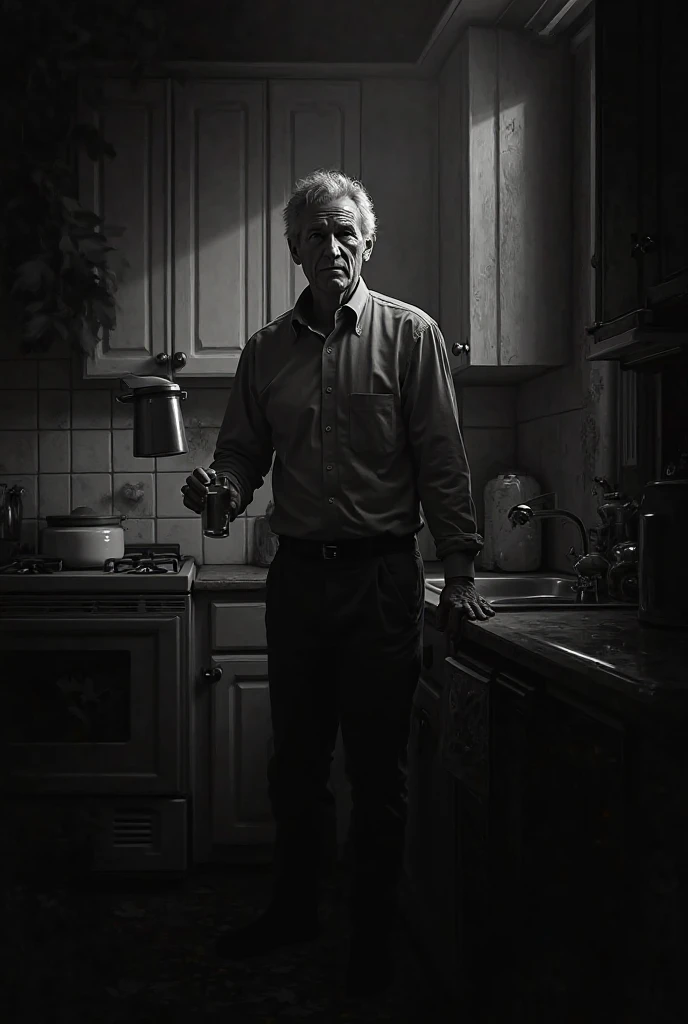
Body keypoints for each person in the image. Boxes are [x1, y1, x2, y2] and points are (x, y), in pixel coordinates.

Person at [181, 168, 494, 998]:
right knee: (296, 762)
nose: (332, 247)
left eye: (345, 232)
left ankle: (370, 941)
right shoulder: (263, 351)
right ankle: (294, 909)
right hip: (299, 582)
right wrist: (222, 490)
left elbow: (442, 459)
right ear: (294, 249)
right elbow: (242, 457)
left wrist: (458, 567)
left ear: (368, 241)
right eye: (315, 234)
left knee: (378, 770)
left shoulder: (411, 335)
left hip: (383, 579)